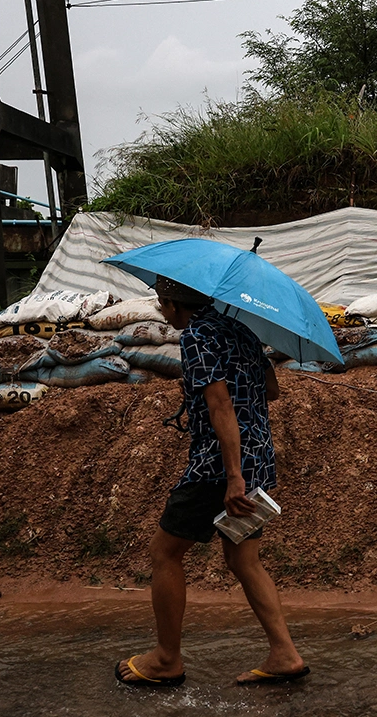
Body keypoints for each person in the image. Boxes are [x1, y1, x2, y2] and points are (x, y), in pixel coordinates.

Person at [115, 276, 308, 687]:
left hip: (219, 467)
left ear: (171, 303)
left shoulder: (198, 336)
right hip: (258, 458)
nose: (161, 310)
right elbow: (271, 390)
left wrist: (232, 478)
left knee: (164, 553)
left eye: (160, 303)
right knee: (243, 558)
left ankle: (167, 659)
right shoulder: (240, 329)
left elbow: (220, 406)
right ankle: (285, 654)